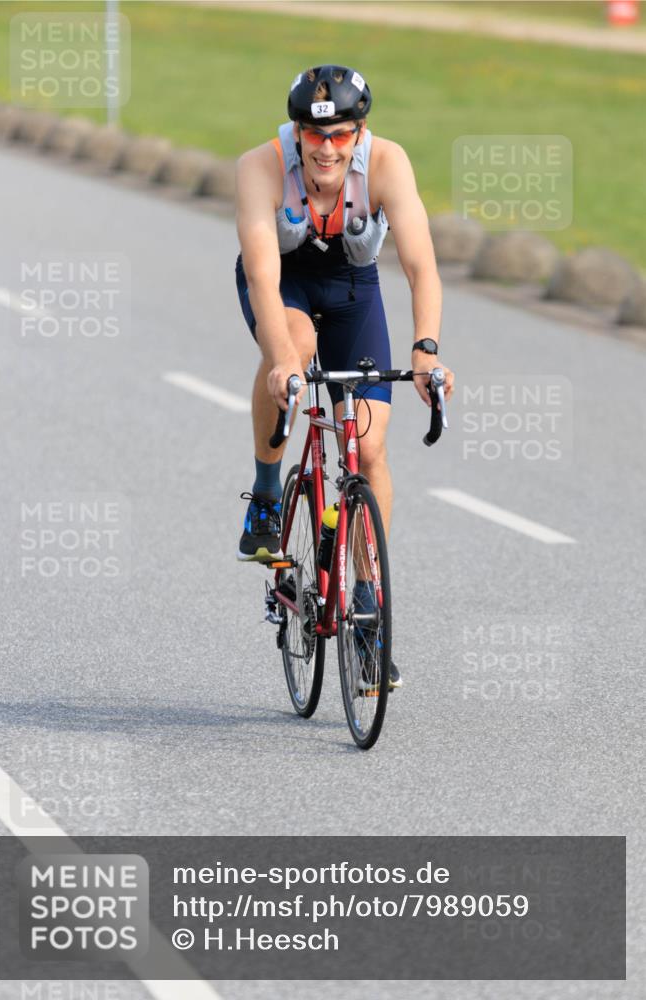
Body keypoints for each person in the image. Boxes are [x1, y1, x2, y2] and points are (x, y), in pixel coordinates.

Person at [235, 65, 455, 689]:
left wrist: (427, 350)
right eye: (314, 134)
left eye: (341, 136)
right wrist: (282, 358)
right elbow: (261, 279)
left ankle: (365, 605)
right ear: (298, 132)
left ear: (360, 132)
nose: (326, 148)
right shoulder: (260, 167)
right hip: (286, 283)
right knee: (296, 349)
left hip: (355, 289)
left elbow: (421, 266)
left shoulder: (387, 163)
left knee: (369, 443)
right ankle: (268, 492)